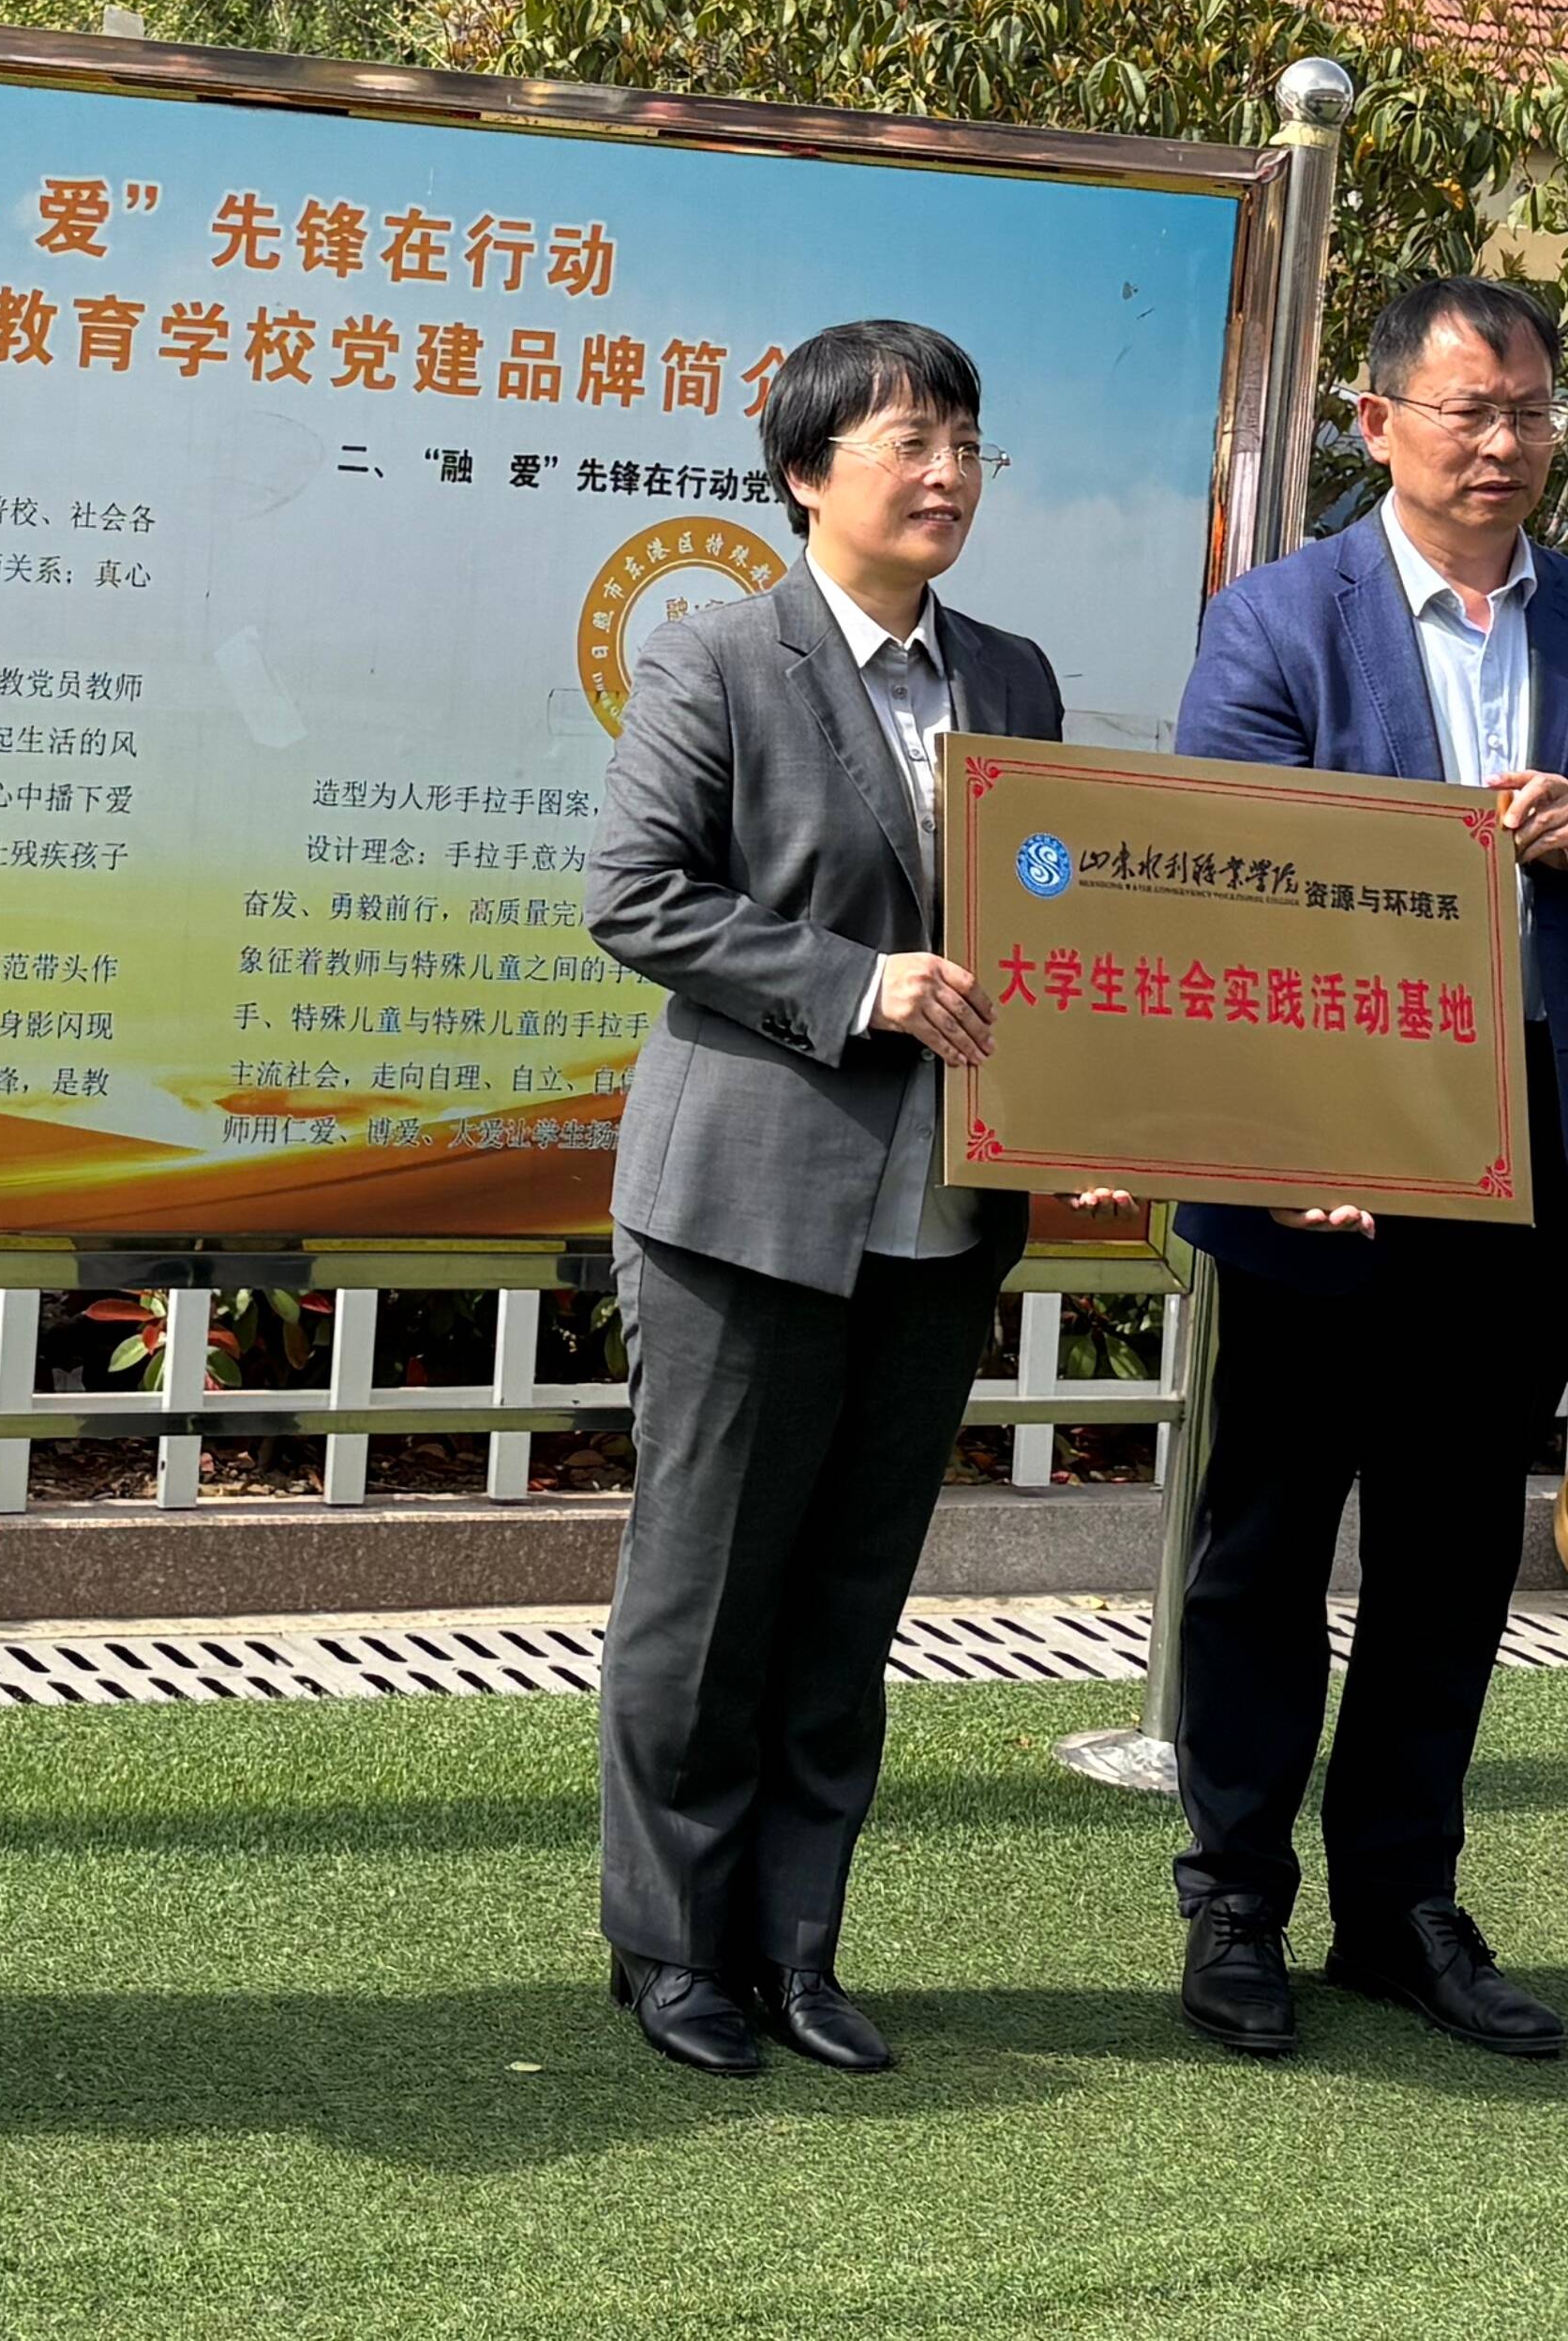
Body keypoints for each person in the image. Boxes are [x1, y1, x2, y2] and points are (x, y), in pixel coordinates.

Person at [1159, 274, 1568, 2064]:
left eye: (1534, 413)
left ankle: (1400, 1903)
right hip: (1324, 1174)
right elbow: (1216, 884)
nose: (1504, 445)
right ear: (1377, 423)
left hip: (1524, 1180)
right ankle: (1233, 1903)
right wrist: (1291, 1136)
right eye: (1469, 411)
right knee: (1262, 1550)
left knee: (1446, 1563)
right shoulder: (1279, 625)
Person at [579, 318, 1060, 2079]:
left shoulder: (1011, 679)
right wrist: (860, 982)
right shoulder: (719, 658)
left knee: (854, 1598)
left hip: (938, 1216)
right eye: (909, 444)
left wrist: (1088, 1084)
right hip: (744, 1209)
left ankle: (798, 1946)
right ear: (806, 474)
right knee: (706, 1595)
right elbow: (636, 899)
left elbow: (1049, 941)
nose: (947, 476)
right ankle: (672, 1952)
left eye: (966, 444)